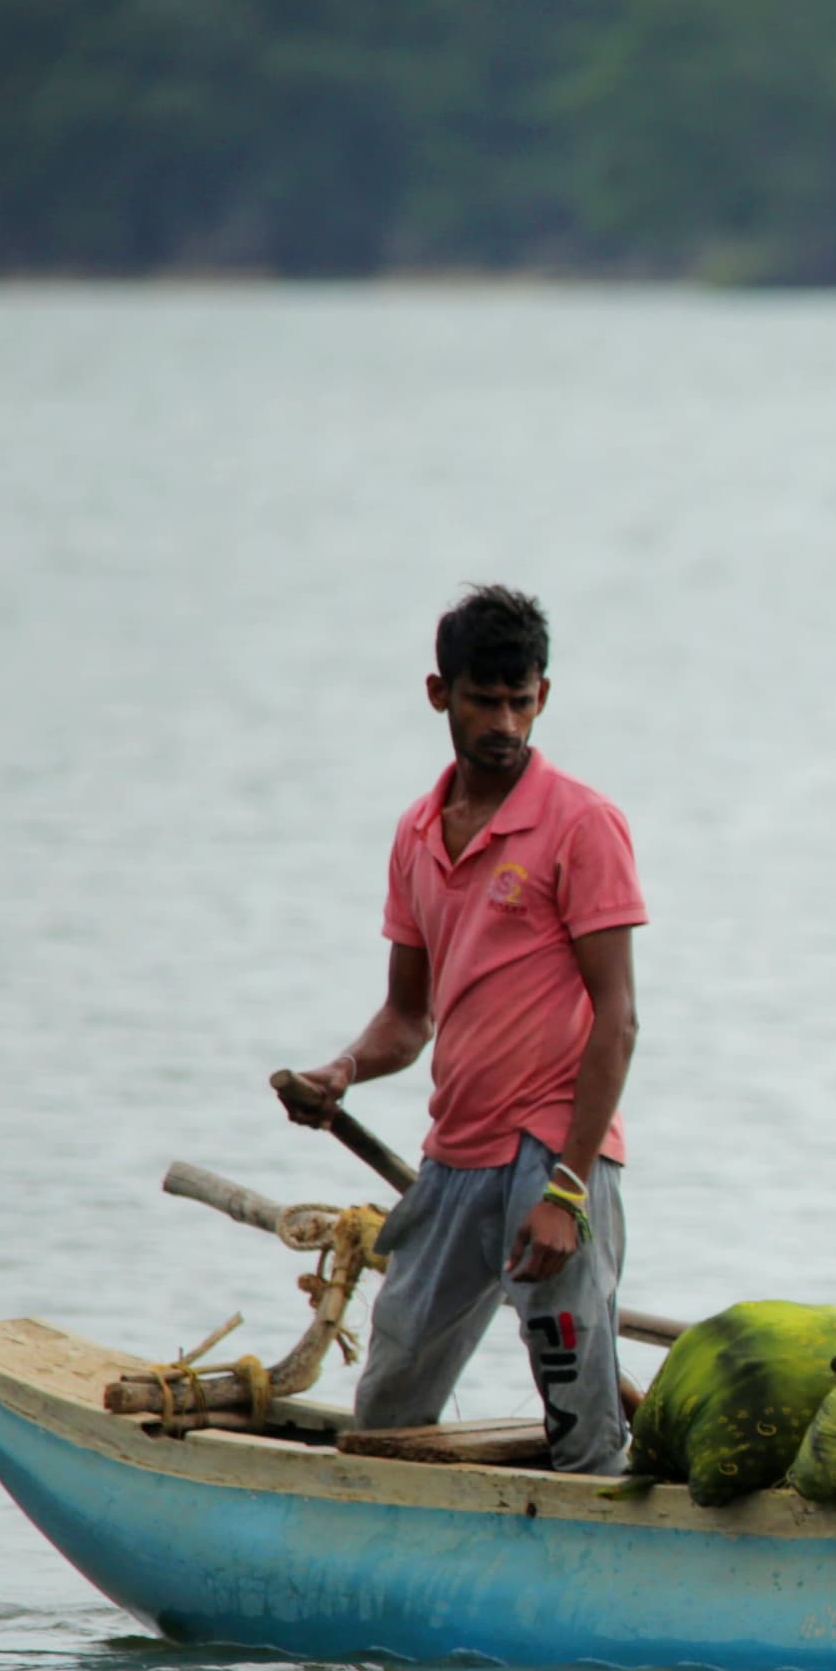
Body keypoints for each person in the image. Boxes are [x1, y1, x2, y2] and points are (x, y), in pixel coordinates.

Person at [278, 586, 644, 1472]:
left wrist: (566, 1188)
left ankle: (597, 1554)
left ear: (544, 697)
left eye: (522, 701)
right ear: (440, 693)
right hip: (455, 1159)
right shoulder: (416, 833)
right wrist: (344, 1070)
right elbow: (409, 1019)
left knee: (579, 1417)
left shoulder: (580, 825)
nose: (505, 723)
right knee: (389, 1408)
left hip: (549, 1155)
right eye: (485, 699)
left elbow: (618, 1020)